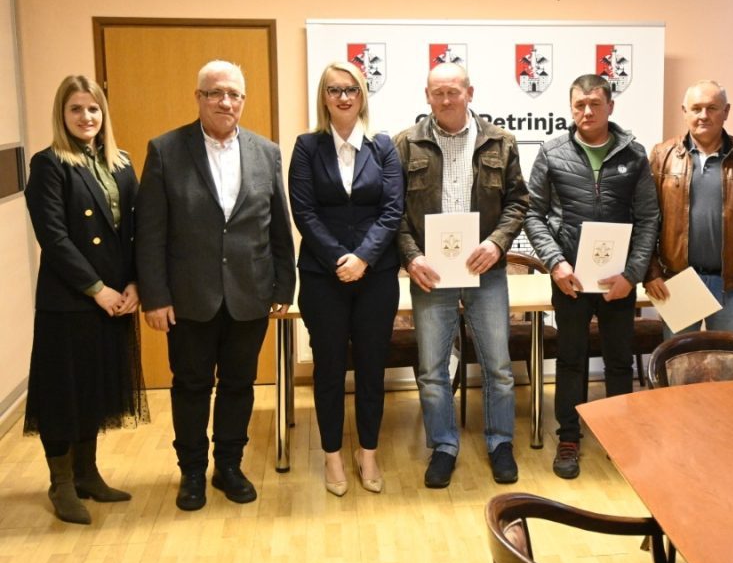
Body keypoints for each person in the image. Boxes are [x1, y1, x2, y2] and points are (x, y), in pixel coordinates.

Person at [135, 60, 295, 511]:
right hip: (189, 297)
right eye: (215, 93)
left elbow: (278, 226)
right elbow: (150, 231)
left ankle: (229, 465)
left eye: (234, 94)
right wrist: (155, 296)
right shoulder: (166, 150)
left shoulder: (266, 152)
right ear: (199, 97)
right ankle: (191, 472)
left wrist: (284, 285)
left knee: (239, 385)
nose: (225, 102)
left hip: (250, 292)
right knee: (191, 386)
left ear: (243, 100)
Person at [393, 62, 528, 489]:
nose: (446, 99)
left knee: (498, 366)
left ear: (470, 92)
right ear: (427, 96)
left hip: (485, 270)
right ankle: (443, 446)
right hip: (431, 274)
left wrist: (497, 244)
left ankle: (500, 442)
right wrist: (412, 257)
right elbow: (393, 211)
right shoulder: (405, 144)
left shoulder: (501, 141)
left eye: (454, 91)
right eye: (438, 93)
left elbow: (518, 203)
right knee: (432, 369)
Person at [23, 75, 149, 524]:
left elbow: (136, 229)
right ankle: (61, 483)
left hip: (116, 297)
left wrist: (135, 283)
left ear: (103, 113)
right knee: (64, 394)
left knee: (95, 390)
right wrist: (97, 289)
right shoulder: (48, 164)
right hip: (70, 300)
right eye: (76, 108)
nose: (86, 117)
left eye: (93, 108)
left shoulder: (121, 162)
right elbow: (54, 239)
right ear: (62, 114)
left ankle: (87, 474)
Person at [524, 73, 659, 479]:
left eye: (594, 104)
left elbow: (648, 218)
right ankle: (569, 438)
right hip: (571, 279)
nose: (586, 111)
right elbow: (533, 213)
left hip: (618, 281)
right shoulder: (552, 152)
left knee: (619, 361)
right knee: (570, 360)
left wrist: (632, 274)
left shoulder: (634, 155)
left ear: (610, 107)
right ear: (571, 108)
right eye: (579, 105)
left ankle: (619, 435)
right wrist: (555, 263)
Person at [288, 62, 403, 496]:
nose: (343, 97)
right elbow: (304, 211)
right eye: (334, 89)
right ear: (324, 97)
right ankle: (332, 454)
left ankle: (368, 452)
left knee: (372, 366)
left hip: (377, 276)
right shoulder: (307, 147)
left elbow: (392, 210)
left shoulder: (383, 146)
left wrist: (364, 258)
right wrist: (341, 258)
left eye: (351, 89)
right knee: (330, 368)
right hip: (323, 275)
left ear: (362, 95)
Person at [644, 80, 733, 333]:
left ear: (726, 111)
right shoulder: (662, 156)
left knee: (726, 355)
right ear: (684, 112)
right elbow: (647, 221)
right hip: (679, 282)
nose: (703, 115)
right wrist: (651, 273)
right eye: (696, 108)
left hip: (731, 286)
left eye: (712, 108)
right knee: (680, 355)